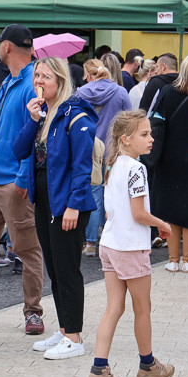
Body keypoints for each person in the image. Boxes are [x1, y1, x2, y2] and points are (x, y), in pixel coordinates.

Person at [13, 57, 98, 360]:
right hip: (45, 200)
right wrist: (33, 118)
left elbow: (81, 165)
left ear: (60, 81)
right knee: (54, 268)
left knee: (67, 269)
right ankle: (64, 330)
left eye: (45, 77)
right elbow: (18, 149)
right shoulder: (44, 114)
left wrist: (74, 205)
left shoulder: (76, 114)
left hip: (67, 202)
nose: (39, 82)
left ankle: (74, 337)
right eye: (36, 76)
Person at [87, 110, 175, 377]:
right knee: (142, 308)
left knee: (113, 308)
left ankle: (99, 368)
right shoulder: (137, 169)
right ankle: (148, 365)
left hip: (110, 243)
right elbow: (139, 213)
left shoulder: (114, 164)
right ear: (126, 139)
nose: (151, 139)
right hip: (130, 247)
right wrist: (161, 223)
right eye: (144, 134)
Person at [0, 25, 46, 334]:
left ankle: (34, 312)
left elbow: (36, 136)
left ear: (6, 48)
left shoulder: (32, 84)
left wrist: (22, 176)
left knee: (27, 249)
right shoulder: (8, 82)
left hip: (13, 183)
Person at [148, 53, 188, 273]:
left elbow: (156, 122)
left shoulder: (167, 92)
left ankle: (173, 260)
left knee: (171, 208)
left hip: (168, 157)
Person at [77, 58, 132, 257]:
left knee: (93, 195)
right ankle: (112, 239)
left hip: (88, 150)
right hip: (113, 151)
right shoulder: (121, 92)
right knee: (114, 195)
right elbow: (129, 121)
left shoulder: (80, 93)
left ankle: (90, 243)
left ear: (89, 74)